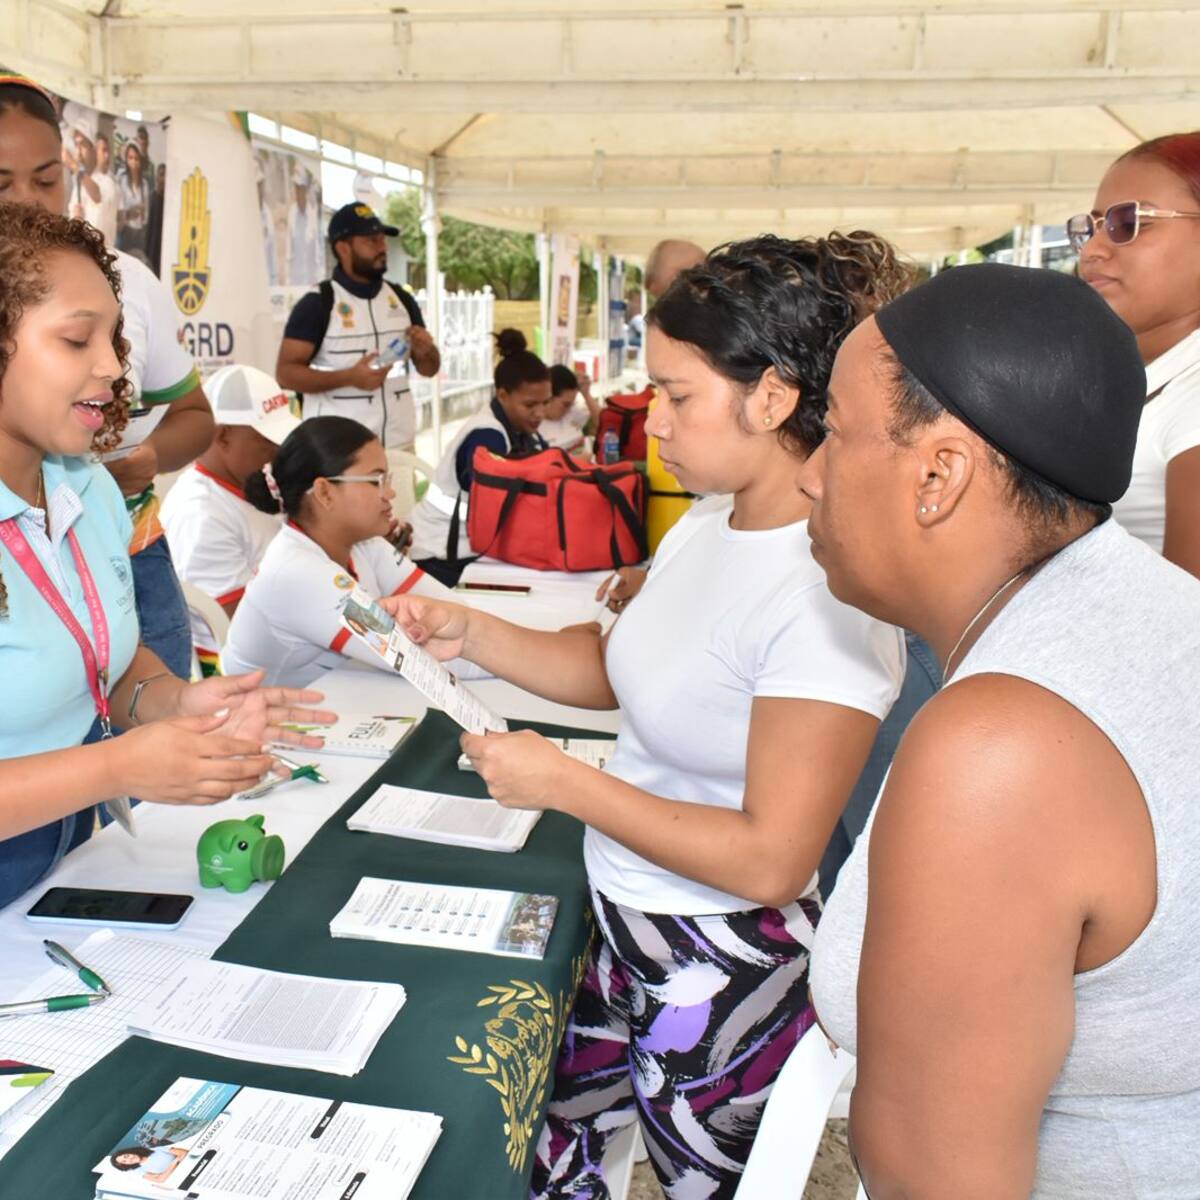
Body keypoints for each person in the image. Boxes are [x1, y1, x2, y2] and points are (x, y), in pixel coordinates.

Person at [385, 234, 911, 1198]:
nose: (653, 425)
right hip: (622, 919)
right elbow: (629, 672)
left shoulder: (822, 590)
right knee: (564, 1166)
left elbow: (771, 859)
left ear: (772, 397)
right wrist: (471, 629)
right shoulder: (710, 522)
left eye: (677, 396)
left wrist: (567, 784)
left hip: (722, 963)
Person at [807, 263, 1200, 1198]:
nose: (810, 474)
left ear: (938, 475)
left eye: (833, 430)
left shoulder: (999, 751)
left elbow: (935, 1181)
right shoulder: (1160, 606)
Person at [0, 202, 333, 910]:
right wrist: (116, 767)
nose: (112, 366)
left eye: (115, 337)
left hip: (57, 861)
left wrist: (179, 702)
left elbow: (103, 663)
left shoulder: (89, 488)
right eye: (77, 339)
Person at [0, 76, 215, 682]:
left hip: (124, 550)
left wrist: (149, 459)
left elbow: (196, 417)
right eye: (74, 339)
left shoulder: (122, 279)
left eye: (46, 179)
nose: (27, 201)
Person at [222, 416, 453, 689]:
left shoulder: (365, 543)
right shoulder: (298, 574)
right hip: (263, 713)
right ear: (324, 492)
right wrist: (493, 644)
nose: (390, 493)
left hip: (333, 699)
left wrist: (484, 636)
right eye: (376, 480)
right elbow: (416, 660)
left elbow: (450, 608)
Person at [1072, 131, 1200, 578]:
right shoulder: (1133, 375)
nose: (1092, 250)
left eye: (1129, 222)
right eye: (1091, 226)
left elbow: (1188, 615)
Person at [161, 365, 300, 674]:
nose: (278, 452)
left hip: (277, 655)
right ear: (223, 436)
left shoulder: (247, 487)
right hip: (239, 672)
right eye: (268, 441)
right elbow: (237, 624)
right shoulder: (202, 514)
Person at [276, 202, 441, 451]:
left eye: (382, 239)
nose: (382, 247)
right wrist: (348, 377)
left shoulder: (401, 299)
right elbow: (286, 374)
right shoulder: (318, 303)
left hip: (399, 446)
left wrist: (426, 351)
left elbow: (430, 369)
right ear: (343, 248)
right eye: (371, 241)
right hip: (339, 452)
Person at [407, 329, 550, 586]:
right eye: (530, 405)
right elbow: (500, 506)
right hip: (442, 552)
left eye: (545, 403)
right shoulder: (487, 436)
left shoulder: (521, 430)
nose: (540, 413)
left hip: (470, 545)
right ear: (503, 395)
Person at [64, 124, 117, 246]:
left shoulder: (107, 182)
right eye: (76, 145)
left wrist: (73, 165)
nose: (78, 151)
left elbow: (97, 195)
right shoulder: (78, 185)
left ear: (94, 150)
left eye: (82, 145)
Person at [537, 365, 599, 451]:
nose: (568, 409)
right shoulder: (534, 426)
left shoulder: (571, 413)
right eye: (565, 404)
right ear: (548, 397)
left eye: (572, 404)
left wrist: (586, 394)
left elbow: (602, 424)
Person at [116, 141, 151, 261]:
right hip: (125, 232)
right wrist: (130, 213)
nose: (134, 162)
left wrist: (141, 212)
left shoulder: (144, 184)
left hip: (140, 234)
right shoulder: (122, 181)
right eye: (130, 158)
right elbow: (118, 212)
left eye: (136, 158)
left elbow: (145, 216)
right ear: (126, 160)